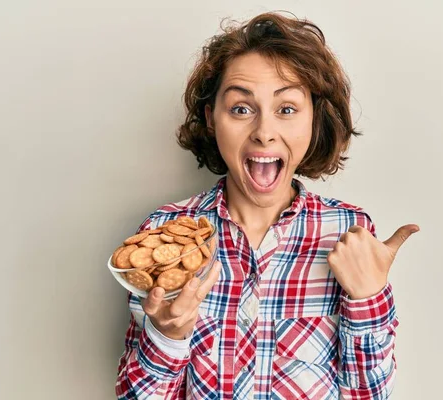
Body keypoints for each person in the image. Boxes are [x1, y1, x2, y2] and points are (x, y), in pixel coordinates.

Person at [115, 11, 419, 400]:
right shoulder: (164, 237)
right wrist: (168, 337)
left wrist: (368, 300)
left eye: (287, 109)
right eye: (241, 109)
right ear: (211, 119)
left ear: (314, 120)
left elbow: (368, 396)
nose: (264, 132)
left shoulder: (348, 232)